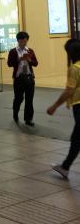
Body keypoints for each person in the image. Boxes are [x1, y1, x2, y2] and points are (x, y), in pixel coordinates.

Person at [48, 39, 80, 180]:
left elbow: (69, 91)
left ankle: (65, 167)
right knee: (77, 138)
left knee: (76, 139)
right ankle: (65, 167)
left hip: (79, 106)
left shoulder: (75, 68)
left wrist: (54, 106)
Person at [7, 31, 38, 126]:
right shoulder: (13, 51)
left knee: (29, 100)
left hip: (29, 78)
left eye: (25, 41)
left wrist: (30, 60)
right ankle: (15, 113)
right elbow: (9, 64)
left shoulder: (30, 51)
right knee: (19, 98)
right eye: (22, 41)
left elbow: (36, 63)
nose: (24, 43)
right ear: (18, 41)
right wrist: (18, 60)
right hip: (19, 79)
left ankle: (28, 119)